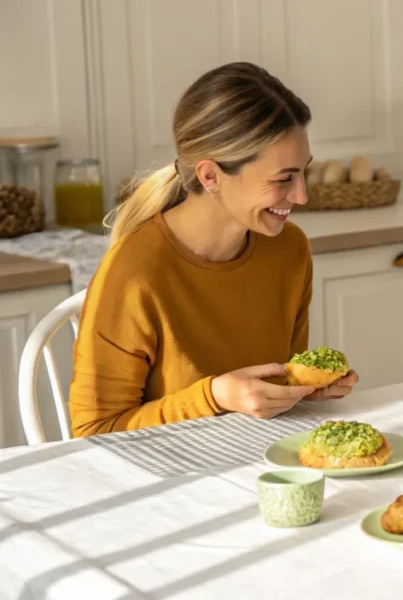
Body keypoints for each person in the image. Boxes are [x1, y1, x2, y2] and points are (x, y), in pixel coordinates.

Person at [69, 61, 359, 437]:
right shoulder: (134, 272)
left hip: (256, 461)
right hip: (168, 483)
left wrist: (302, 389)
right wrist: (213, 397)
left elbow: (276, 381)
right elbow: (94, 432)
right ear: (210, 176)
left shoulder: (290, 250)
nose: (301, 195)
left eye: (303, 172)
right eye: (284, 179)